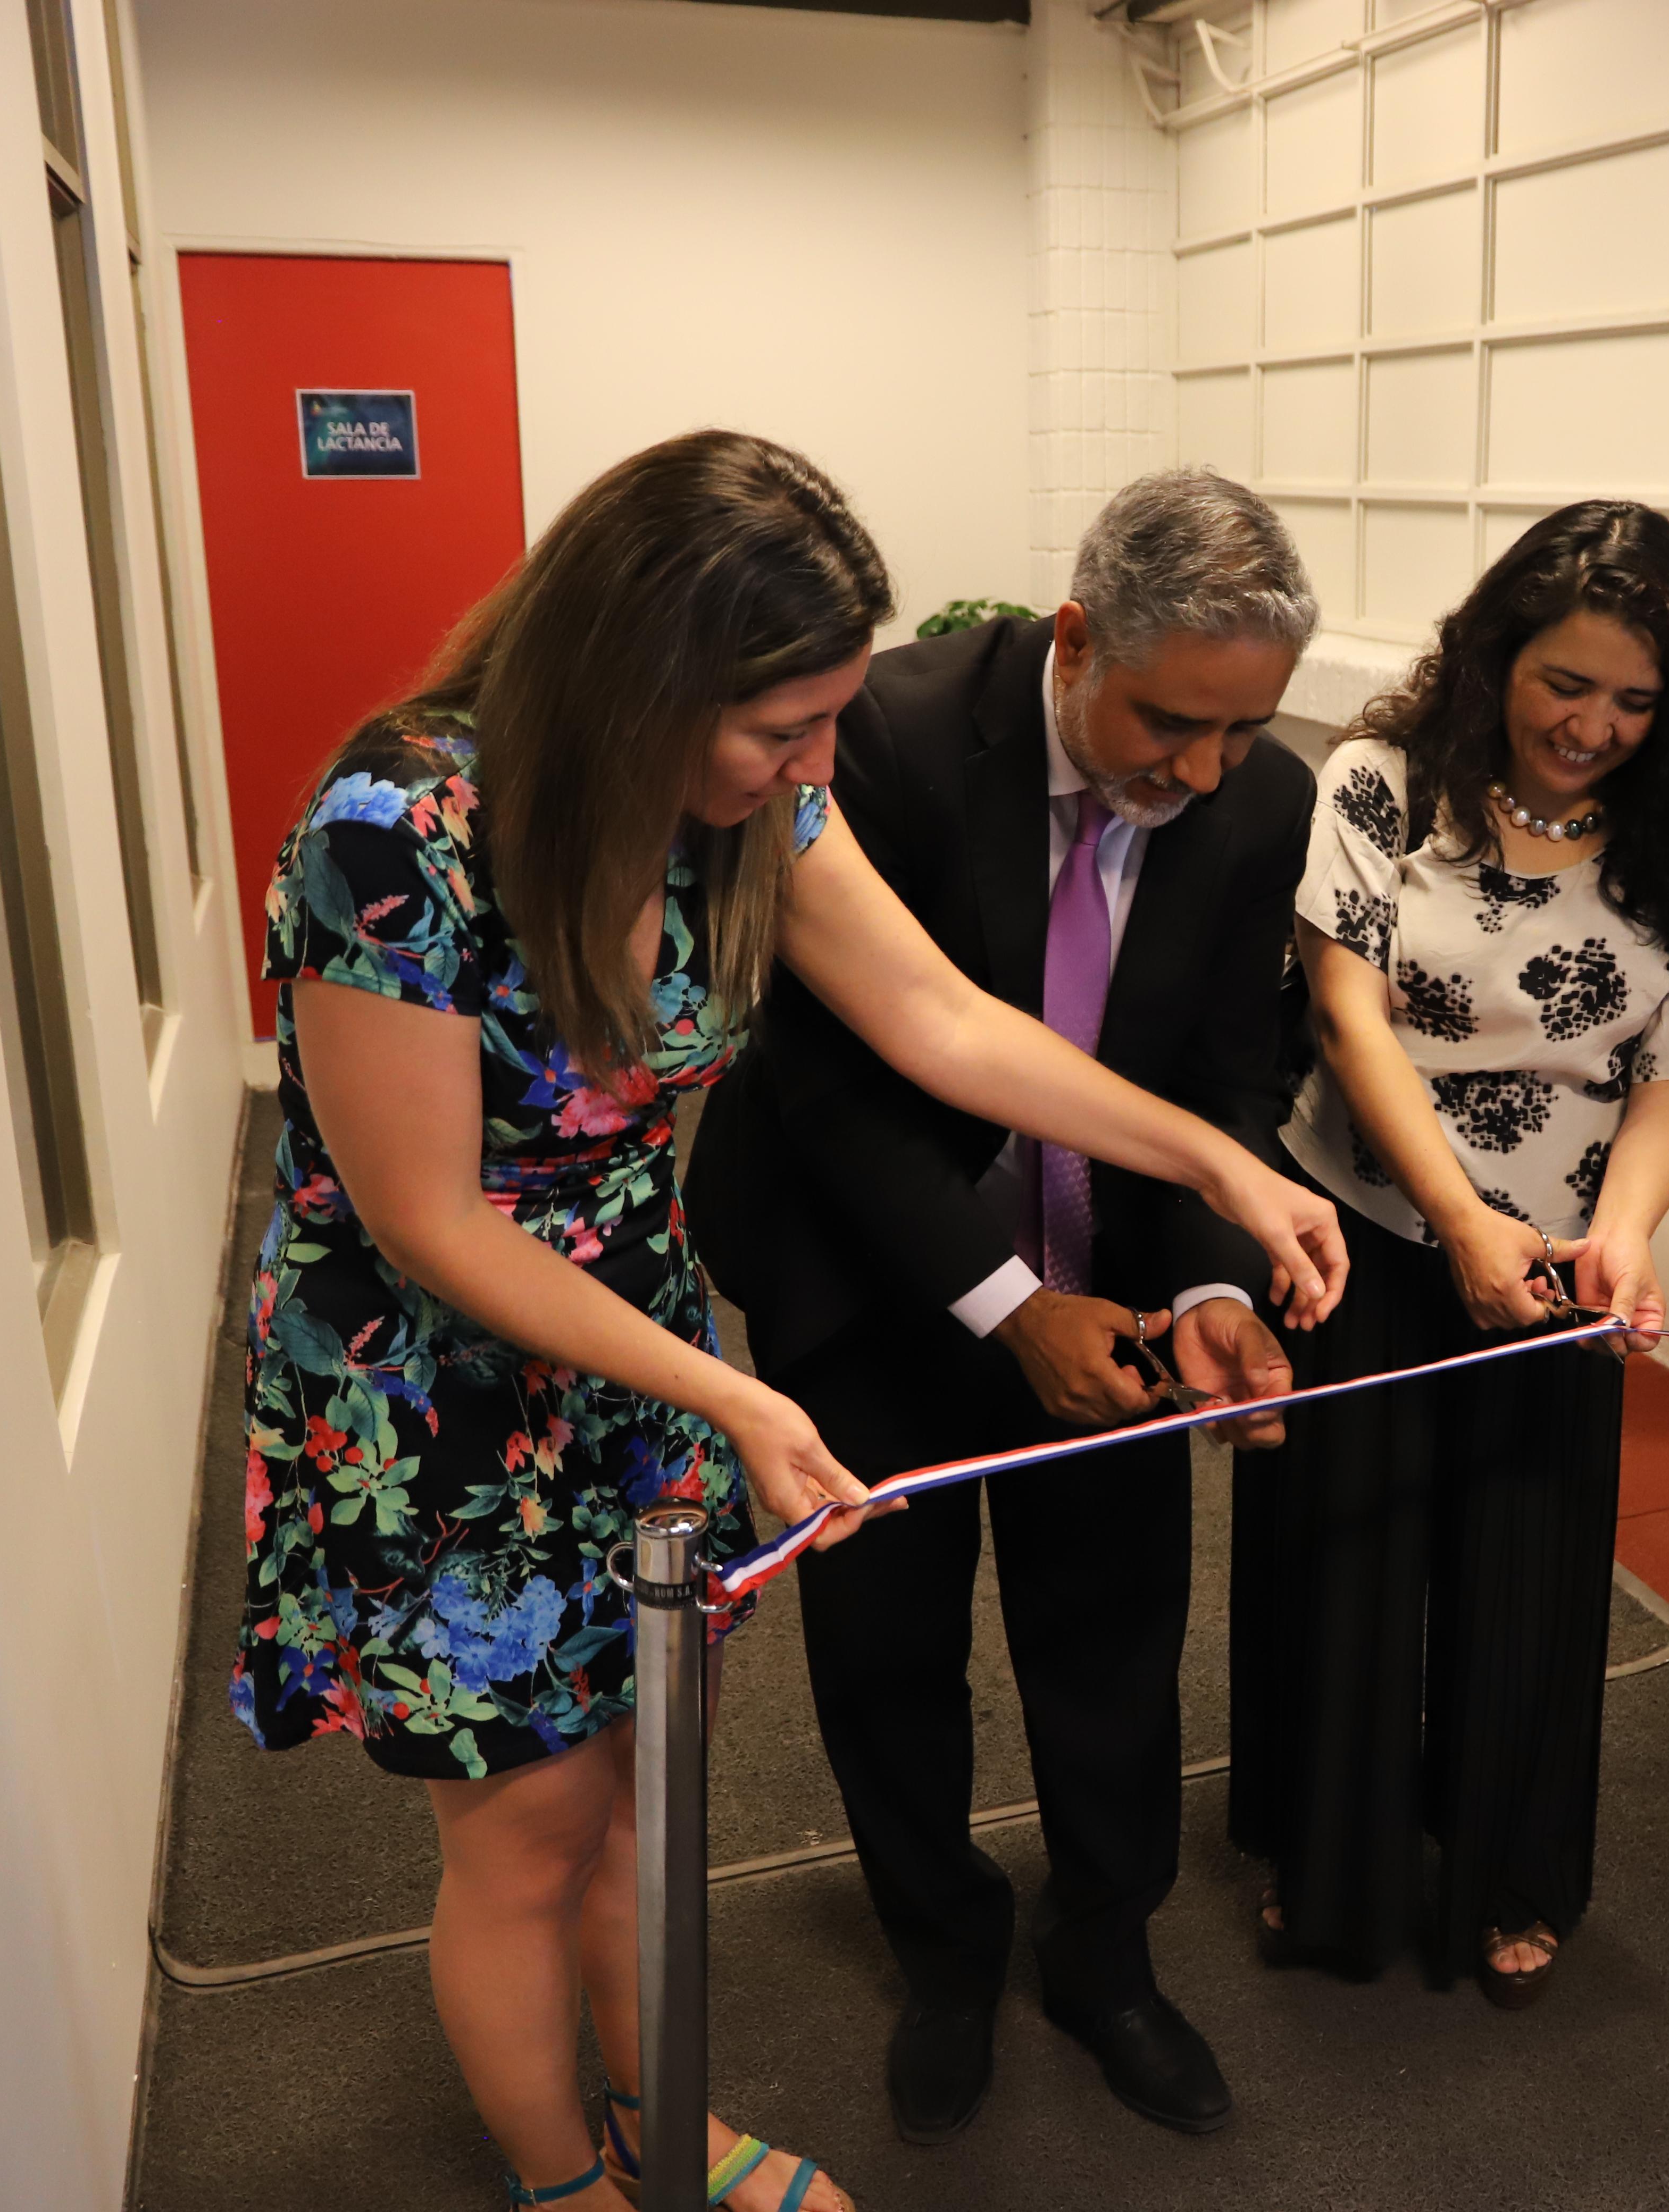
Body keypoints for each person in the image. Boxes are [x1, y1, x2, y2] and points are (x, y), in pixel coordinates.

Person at [236, 431, 1342, 2212]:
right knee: (526, 1833)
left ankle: (664, 2125)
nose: (821, 767)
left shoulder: (755, 794)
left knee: (641, 1795)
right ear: (637, 676)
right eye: (782, 731)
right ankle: (570, 2184)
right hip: (434, 1399)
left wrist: (1217, 1160)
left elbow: (944, 1022)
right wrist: (729, 1394)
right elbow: (425, 1223)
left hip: (637, 1351)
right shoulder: (397, 825)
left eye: (829, 722)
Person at [689, 470, 1321, 2146]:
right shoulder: (872, 741)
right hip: (871, 1273)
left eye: (1239, 734)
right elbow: (831, 1085)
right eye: (1169, 721)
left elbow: (1216, 1083)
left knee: (1113, 1641)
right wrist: (1008, 1304)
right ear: (1074, 637)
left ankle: (1105, 1961)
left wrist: (1201, 1287)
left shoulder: (1258, 805)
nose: (1196, 773)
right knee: (889, 1654)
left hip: (1107, 1284)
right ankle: (947, 1956)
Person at [1231, 500, 1669, 2006]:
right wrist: (1458, 1218)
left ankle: (1508, 1866)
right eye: (1564, 685)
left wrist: (1628, 1235)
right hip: (1372, 1219)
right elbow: (1347, 1013)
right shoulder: (1383, 781)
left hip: (1560, 1259)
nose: (1593, 726)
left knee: (1524, 1568)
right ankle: (1324, 1857)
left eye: (1635, 701)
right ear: (1492, 658)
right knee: (1343, 1550)